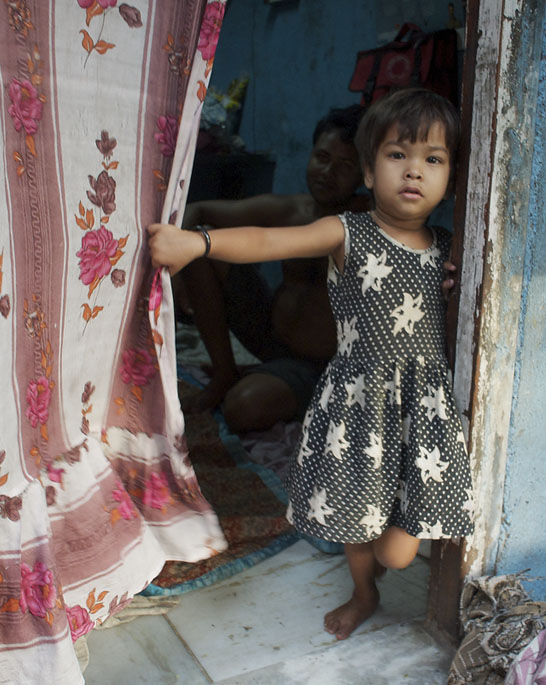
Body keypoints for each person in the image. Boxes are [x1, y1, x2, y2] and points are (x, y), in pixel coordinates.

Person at [149, 88, 475, 640]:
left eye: (433, 159)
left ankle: (380, 567)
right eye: (398, 155)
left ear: (450, 179)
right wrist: (196, 244)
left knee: (399, 550)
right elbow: (268, 240)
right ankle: (362, 592)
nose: (414, 171)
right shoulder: (348, 232)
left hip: (419, 411)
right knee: (355, 516)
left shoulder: (451, 247)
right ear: (369, 173)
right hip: (357, 405)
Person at [176, 105, 370, 432]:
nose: (327, 171)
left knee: (243, 409)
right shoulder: (293, 209)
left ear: (365, 174)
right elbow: (195, 210)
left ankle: (299, 392)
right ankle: (224, 373)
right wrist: (179, 273)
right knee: (202, 244)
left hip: (321, 364)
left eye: (344, 165)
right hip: (271, 336)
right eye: (322, 157)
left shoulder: (369, 222)